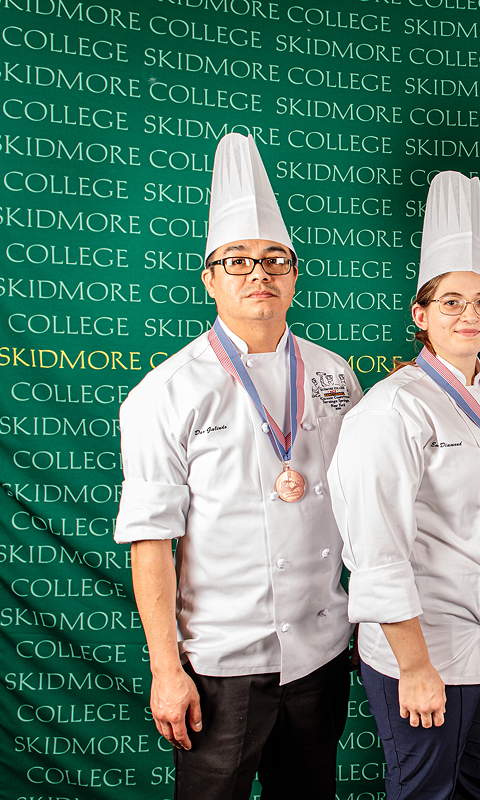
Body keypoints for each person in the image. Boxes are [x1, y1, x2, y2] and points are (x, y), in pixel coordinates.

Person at [114, 133, 362, 799]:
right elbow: (151, 543)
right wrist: (167, 669)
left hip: (320, 653)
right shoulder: (166, 392)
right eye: (237, 261)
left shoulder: (335, 374)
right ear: (210, 278)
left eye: (274, 260)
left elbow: (366, 504)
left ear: (294, 273)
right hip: (222, 663)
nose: (258, 274)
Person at [329, 171, 480, 800]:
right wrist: (414, 666)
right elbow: (377, 550)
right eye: (451, 302)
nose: (470, 314)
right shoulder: (391, 409)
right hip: (426, 646)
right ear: (421, 314)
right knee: (424, 792)